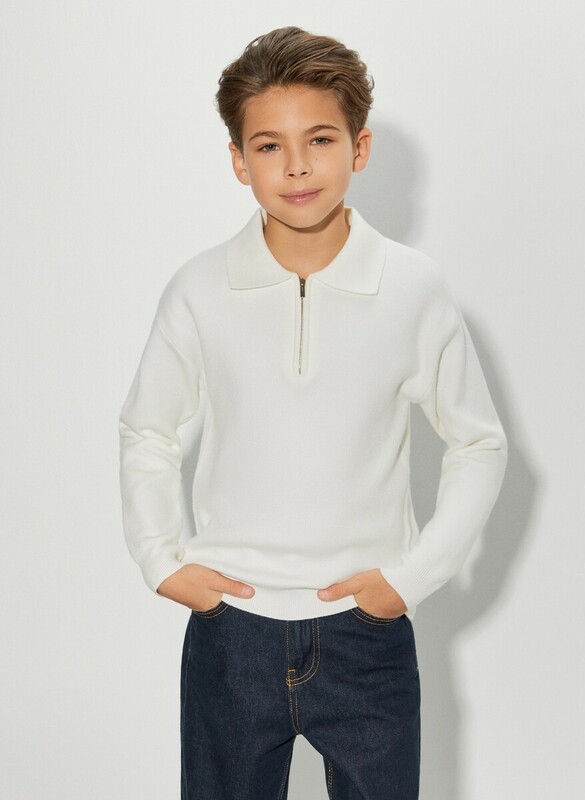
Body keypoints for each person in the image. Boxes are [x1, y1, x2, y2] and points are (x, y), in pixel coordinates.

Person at [118, 25, 508, 800]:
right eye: (269, 146)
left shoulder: (413, 288)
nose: (296, 166)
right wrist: (161, 560)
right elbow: (147, 431)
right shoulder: (199, 288)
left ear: (359, 149)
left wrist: (412, 578)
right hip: (231, 631)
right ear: (239, 161)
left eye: (320, 139)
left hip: (367, 634)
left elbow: (479, 444)